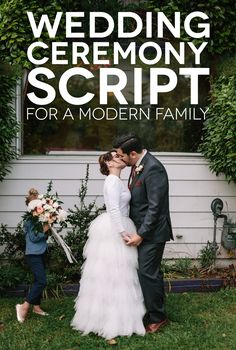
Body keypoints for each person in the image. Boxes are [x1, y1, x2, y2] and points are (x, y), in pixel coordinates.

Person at [71, 151, 145, 345]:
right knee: (113, 274)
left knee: (118, 275)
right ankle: (108, 320)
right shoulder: (112, 181)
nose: (121, 156)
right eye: (115, 155)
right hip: (115, 228)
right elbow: (113, 208)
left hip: (119, 224)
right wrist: (122, 232)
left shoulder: (117, 180)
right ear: (109, 162)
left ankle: (116, 318)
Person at [113, 134, 173, 333]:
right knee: (149, 273)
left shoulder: (153, 168)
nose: (120, 159)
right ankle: (153, 308)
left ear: (133, 153)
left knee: (147, 273)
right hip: (141, 230)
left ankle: (158, 317)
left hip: (153, 232)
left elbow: (155, 208)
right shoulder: (137, 165)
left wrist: (141, 234)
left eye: (122, 156)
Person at [16, 188, 50, 323]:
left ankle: (36, 307)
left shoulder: (39, 218)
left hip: (41, 252)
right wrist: (45, 229)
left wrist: (48, 226)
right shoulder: (30, 220)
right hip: (33, 254)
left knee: (37, 280)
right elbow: (34, 237)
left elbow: (42, 236)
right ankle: (24, 306)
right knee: (42, 281)